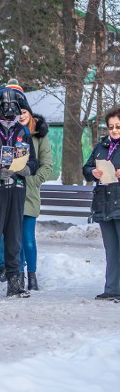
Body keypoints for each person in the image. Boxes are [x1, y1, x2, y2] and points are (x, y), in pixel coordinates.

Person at [0, 85, 38, 298]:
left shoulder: (22, 131)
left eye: (15, 106)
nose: (11, 110)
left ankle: (16, 281)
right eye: (6, 106)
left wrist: (27, 169)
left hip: (18, 188)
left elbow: (34, 160)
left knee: (15, 237)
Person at [83, 107, 120, 301]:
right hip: (104, 203)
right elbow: (87, 167)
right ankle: (112, 288)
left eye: (118, 127)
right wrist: (92, 173)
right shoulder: (101, 147)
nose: (114, 130)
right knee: (111, 249)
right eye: (111, 127)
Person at [17, 98, 52, 291]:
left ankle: (32, 275)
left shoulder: (39, 136)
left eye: (24, 112)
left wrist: (33, 181)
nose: (20, 116)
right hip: (11, 190)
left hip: (29, 193)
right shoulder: (11, 133)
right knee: (15, 238)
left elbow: (47, 165)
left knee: (28, 237)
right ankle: (17, 275)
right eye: (17, 112)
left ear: (30, 114)